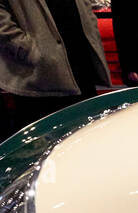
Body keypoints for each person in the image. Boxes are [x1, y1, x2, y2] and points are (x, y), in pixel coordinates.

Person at [0, 0, 108, 131]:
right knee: (48, 142)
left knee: (88, 133)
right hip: (40, 76)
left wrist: (91, 27)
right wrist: (27, 50)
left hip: (80, 63)